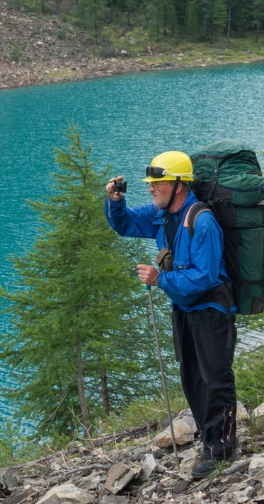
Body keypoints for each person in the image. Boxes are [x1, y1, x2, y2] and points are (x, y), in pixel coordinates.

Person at [105, 151, 237, 479]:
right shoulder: (161, 214)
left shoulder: (201, 220)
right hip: (185, 310)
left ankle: (222, 451)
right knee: (192, 380)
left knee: (215, 380)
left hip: (210, 311)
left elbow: (204, 276)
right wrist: (115, 201)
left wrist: (159, 278)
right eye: (150, 184)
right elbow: (125, 224)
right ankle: (210, 443)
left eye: (157, 183)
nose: (151, 189)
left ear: (178, 185)